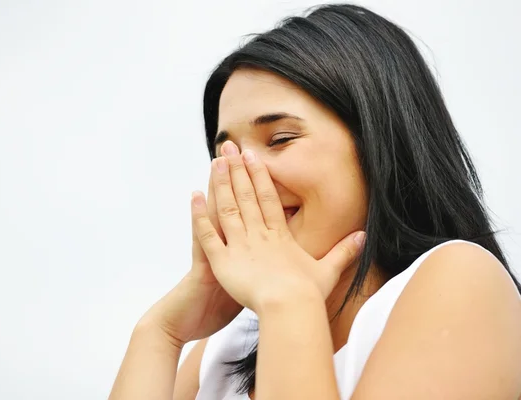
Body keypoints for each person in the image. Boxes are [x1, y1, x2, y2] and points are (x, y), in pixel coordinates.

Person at [109, 4, 521, 399]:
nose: (246, 178)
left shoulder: (460, 280)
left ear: (379, 143)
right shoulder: (223, 352)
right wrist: (161, 333)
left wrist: (289, 301)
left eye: (280, 139)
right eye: (226, 156)